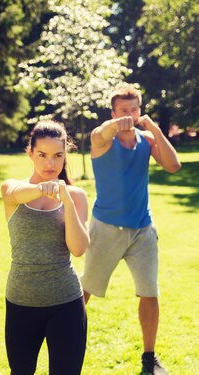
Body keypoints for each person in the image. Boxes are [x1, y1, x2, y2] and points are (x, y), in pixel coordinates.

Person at [81, 86, 181, 375]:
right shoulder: (102, 140)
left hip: (142, 230)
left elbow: (173, 165)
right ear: (113, 112)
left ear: (140, 109)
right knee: (85, 290)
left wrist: (155, 130)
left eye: (134, 109)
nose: (129, 115)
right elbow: (99, 132)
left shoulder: (146, 140)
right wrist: (115, 125)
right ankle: (67, 344)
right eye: (123, 110)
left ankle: (149, 359)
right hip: (106, 229)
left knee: (150, 293)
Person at [0, 121, 89, 374]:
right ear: (30, 153)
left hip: (66, 302)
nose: (50, 164)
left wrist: (66, 199)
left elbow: (79, 248)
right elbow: (14, 194)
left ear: (65, 155)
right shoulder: (11, 187)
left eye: (58, 156)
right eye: (42, 155)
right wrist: (42, 188)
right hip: (21, 301)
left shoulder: (77, 196)